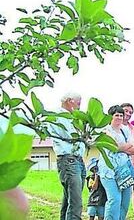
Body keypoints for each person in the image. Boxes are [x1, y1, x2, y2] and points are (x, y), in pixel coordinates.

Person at [48, 92, 86, 220]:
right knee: (75, 201)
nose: (80, 107)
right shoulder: (60, 116)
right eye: (78, 103)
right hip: (68, 159)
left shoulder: (72, 117)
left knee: (69, 199)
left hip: (77, 160)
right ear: (70, 101)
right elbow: (71, 136)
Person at [98, 105, 134, 220]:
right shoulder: (105, 130)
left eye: (121, 115)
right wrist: (124, 146)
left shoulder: (125, 130)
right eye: (117, 115)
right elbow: (113, 147)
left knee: (125, 200)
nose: (119, 117)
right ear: (111, 116)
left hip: (124, 170)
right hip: (108, 170)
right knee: (114, 199)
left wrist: (122, 147)